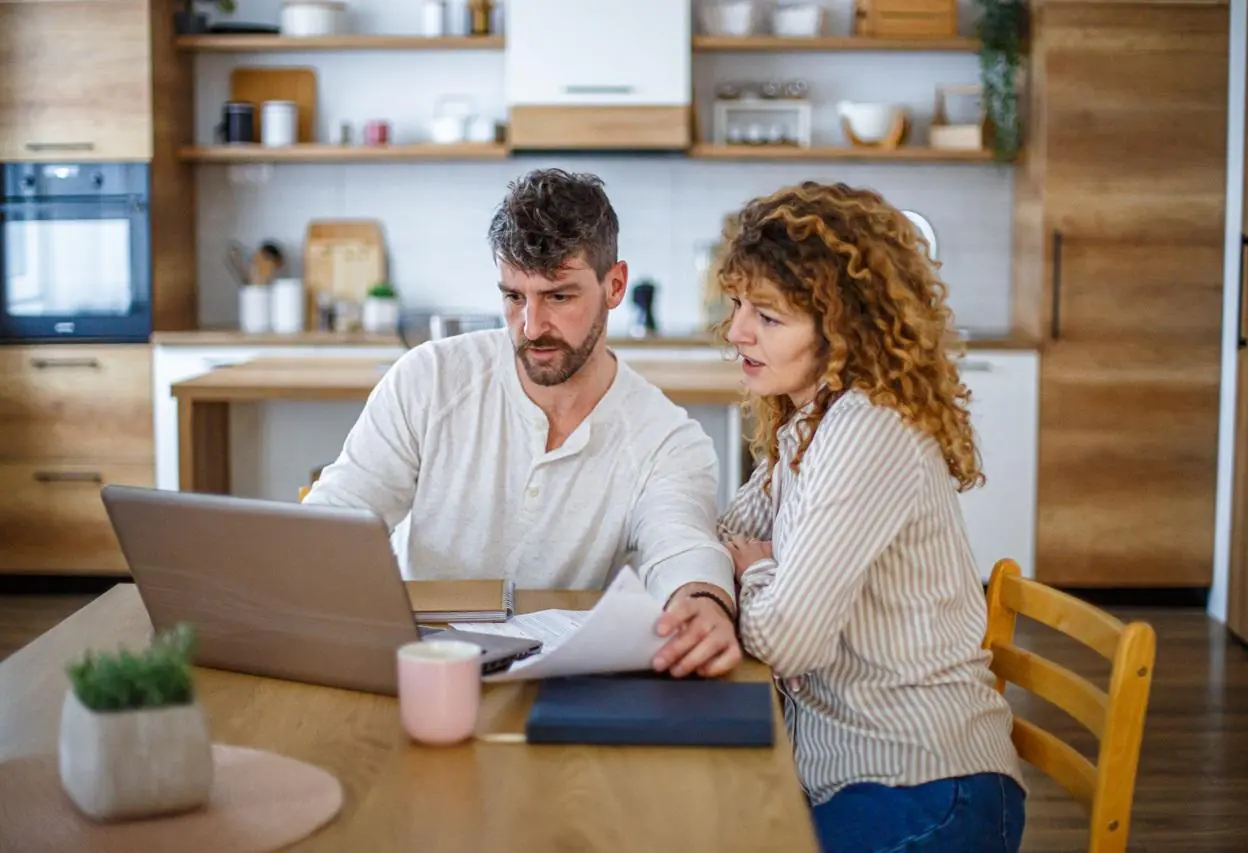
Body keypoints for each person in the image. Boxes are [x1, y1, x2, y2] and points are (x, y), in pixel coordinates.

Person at [304, 168, 741, 678]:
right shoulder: (429, 379)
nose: (532, 327)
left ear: (614, 285)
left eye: (558, 296)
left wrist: (705, 601)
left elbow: (682, 547)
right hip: (417, 668)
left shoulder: (666, 438)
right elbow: (336, 521)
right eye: (514, 297)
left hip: (561, 686)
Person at [713, 182, 1026, 853]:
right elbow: (730, 531)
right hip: (849, 773)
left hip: (930, 787)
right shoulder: (809, 420)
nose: (737, 329)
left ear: (842, 329)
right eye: (738, 303)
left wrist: (760, 567)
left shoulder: (866, 428)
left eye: (768, 316)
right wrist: (749, 562)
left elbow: (786, 640)